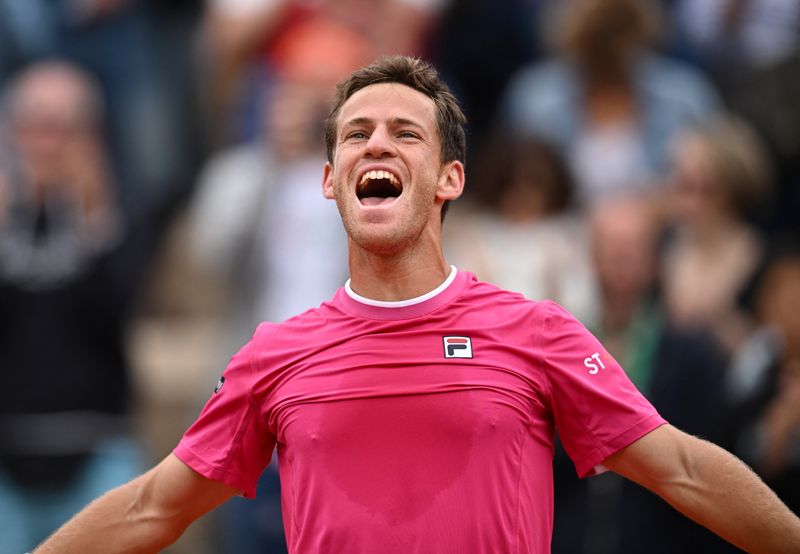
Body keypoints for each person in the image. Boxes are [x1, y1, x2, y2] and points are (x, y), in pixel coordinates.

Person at [34, 55, 800, 554]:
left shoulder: (535, 332)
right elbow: (151, 509)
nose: (377, 146)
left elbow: (686, 472)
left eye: (406, 133)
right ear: (330, 179)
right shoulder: (274, 355)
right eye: (356, 134)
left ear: (450, 180)